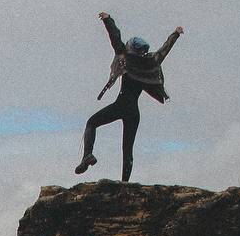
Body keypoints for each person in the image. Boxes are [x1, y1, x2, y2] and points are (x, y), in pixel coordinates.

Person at [75, 12, 184, 182]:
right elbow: (165, 50)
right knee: (128, 149)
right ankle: (125, 183)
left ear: (131, 48)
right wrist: (175, 34)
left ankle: (87, 155)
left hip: (120, 105)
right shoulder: (151, 62)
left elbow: (115, 38)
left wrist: (108, 19)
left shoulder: (125, 57)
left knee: (92, 122)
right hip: (134, 112)